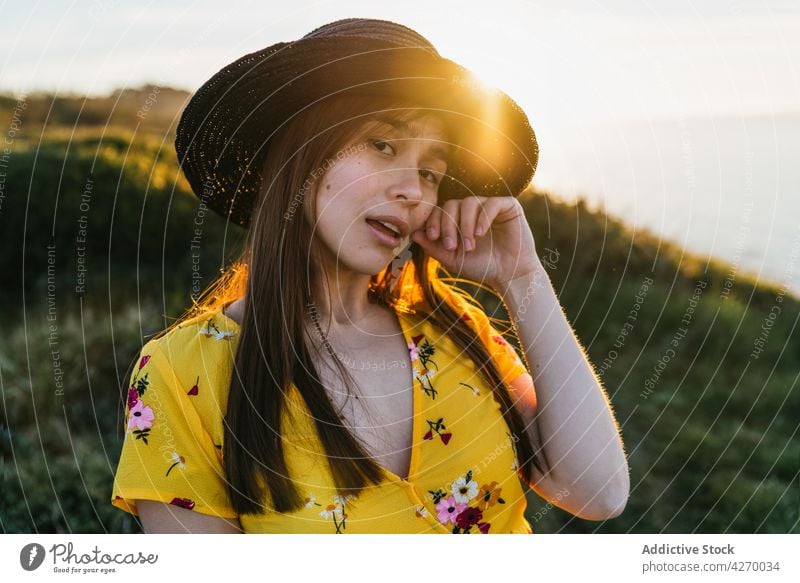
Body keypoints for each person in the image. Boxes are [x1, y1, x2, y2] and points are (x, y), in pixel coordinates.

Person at [111, 17, 629, 534]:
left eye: (431, 171)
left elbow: (597, 492)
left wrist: (523, 280)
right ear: (295, 154)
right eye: (383, 145)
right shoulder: (180, 374)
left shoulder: (457, 331)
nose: (413, 189)